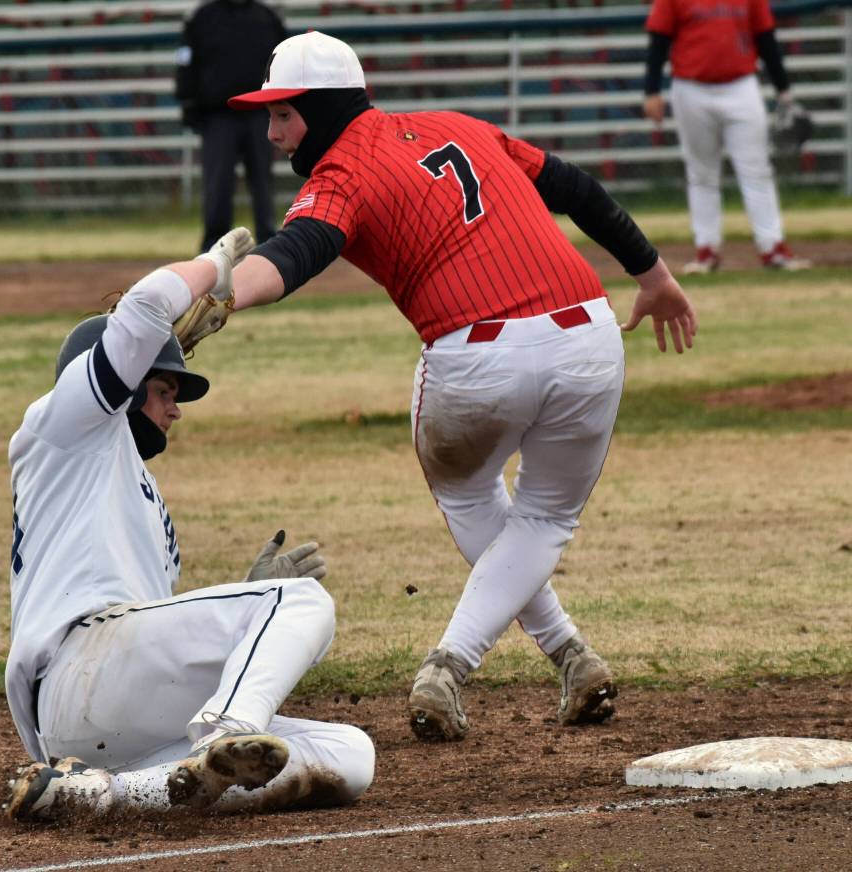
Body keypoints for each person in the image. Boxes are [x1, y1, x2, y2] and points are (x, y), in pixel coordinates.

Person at [221, 31, 697, 742]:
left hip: (477, 355)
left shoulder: (342, 170)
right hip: (589, 337)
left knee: (470, 492)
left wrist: (220, 296)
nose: (273, 133)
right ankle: (570, 656)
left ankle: (452, 662)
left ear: (320, 110)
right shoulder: (460, 127)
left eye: (283, 114)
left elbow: (293, 255)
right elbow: (576, 189)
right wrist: (652, 274)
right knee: (542, 522)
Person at [3, 228, 375, 822]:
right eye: (163, 389)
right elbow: (147, 306)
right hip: (77, 670)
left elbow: (153, 640)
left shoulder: (126, 487)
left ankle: (109, 796)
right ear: (116, 385)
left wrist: (241, 597)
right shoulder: (66, 425)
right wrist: (213, 265)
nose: (174, 407)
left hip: (109, 718)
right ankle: (225, 730)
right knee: (300, 599)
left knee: (350, 755)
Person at [642, 0, 812, 273]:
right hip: (690, 87)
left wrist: (784, 90)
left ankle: (772, 247)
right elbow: (659, 41)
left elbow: (765, 38)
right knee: (701, 172)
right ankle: (706, 249)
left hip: (741, 85)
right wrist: (651, 90)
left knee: (756, 169)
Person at [175, 0, 288, 252]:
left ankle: (269, 244)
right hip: (218, 115)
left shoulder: (266, 17)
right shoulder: (203, 17)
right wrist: (187, 99)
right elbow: (186, 58)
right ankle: (214, 247)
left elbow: (283, 61)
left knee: (262, 180)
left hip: (260, 113)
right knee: (218, 183)